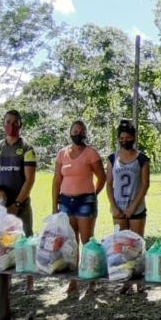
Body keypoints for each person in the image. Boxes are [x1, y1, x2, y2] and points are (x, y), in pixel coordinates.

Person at [53, 121, 107, 297]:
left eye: (81, 131)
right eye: (75, 131)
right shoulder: (62, 154)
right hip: (66, 201)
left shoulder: (91, 153)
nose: (78, 134)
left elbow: (102, 177)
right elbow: (56, 180)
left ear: (85, 134)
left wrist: (92, 195)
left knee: (86, 240)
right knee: (71, 241)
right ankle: (73, 281)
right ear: (70, 132)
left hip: (85, 201)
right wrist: (54, 204)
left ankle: (91, 281)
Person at [0, 109, 36, 290]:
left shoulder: (27, 149)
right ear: (3, 124)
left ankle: (29, 281)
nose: (12, 126)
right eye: (8, 122)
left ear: (21, 125)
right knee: (2, 241)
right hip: (1, 206)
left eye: (15, 122)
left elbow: (29, 180)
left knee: (26, 241)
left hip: (20, 205)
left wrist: (17, 204)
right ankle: (4, 280)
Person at [106, 119, 150, 294]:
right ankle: (125, 280)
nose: (125, 140)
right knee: (121, 246)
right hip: (118, 207)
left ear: (133, 137)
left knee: (136, 244)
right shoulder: (112, 158)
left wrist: (133, 206)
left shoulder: (142, 159)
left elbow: (145, 184)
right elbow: (109, 184)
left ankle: (140, 280)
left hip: (136, 208)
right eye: (122, 137)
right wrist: (113, 206)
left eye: (128, 137)